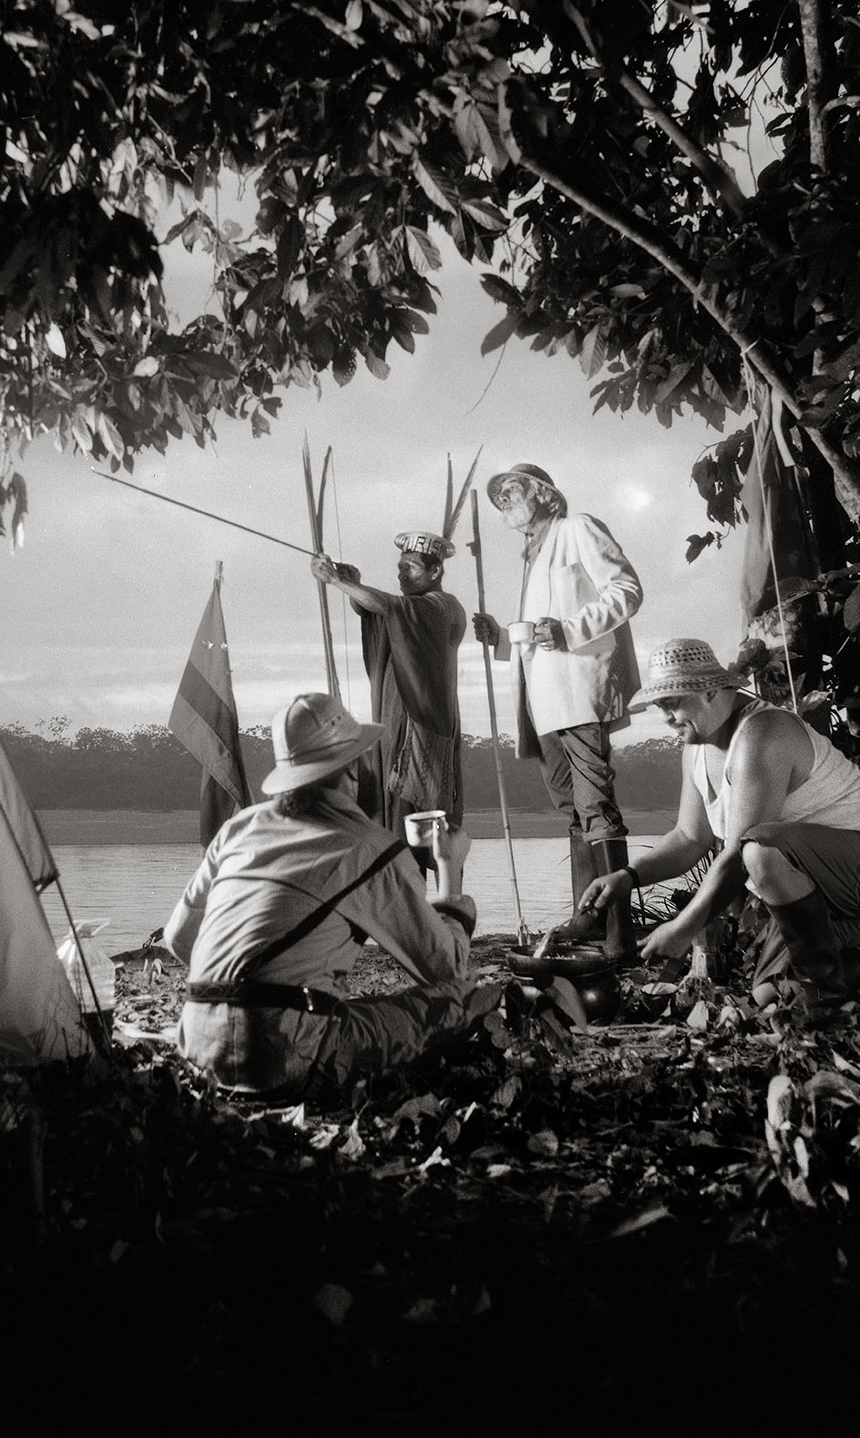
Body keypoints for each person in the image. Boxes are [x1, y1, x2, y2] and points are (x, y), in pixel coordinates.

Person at [566, 637, 860, 1025]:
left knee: (760, 850)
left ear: (712, 692)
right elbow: (689, 838)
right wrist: (628, 876)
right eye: (659, 706)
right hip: (818, 890)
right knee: (769, 992)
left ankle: (827, 1008)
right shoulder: (698, 745)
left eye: (672, 703)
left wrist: (685, 927)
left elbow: (738, 856)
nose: (665, 717)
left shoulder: (762, 733)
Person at [164, 693, 502, 1095]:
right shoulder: (367, 847)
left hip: (199, 1045)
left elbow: (179, 939)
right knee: (466, 998)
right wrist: (449, 867)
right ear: (353, 768)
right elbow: (447, 968)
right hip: (283, 1055)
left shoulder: (240, 827)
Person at [471, 464, 643, 955]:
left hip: (579, 688)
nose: (503, 500)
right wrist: (500, 639)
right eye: (498, 496)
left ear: (544, 494)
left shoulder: (577, 529)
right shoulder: (532, 556)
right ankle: (588, 919)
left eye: (511, 491)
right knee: (572, 808)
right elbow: (534, 636)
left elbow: (627, 590)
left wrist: (569, 629)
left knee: (595, 805)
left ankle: (618, 933)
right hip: (540, 698)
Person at [311, 531, 467, 833]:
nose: (402, 575)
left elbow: (387, 606)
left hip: (424, 726)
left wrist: (337, 582)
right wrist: (352, 583)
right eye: (399, 568)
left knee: (420, 819)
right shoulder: (408, 610)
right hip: (394, 720)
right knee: (393, 816)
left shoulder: (442, 606)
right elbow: (374, 609)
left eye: (411, 567)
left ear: (435, 572)